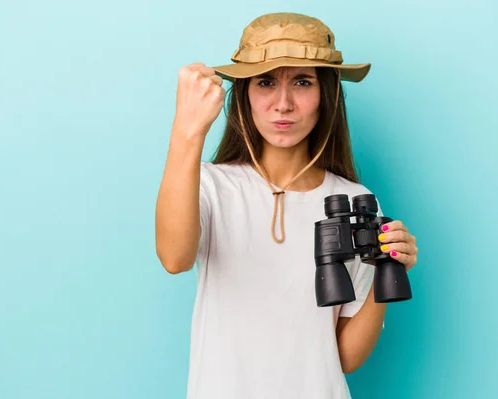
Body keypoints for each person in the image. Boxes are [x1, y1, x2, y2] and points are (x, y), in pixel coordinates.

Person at [155, 12, 418, 399]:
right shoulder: (210, 185)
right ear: (244, 93)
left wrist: (388, 271)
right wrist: (187, 130)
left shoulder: (352, 201)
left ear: (325, 93)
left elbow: (343, 357)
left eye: (302, 82)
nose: (283, 103)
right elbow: (174, 258)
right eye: (265, 82)